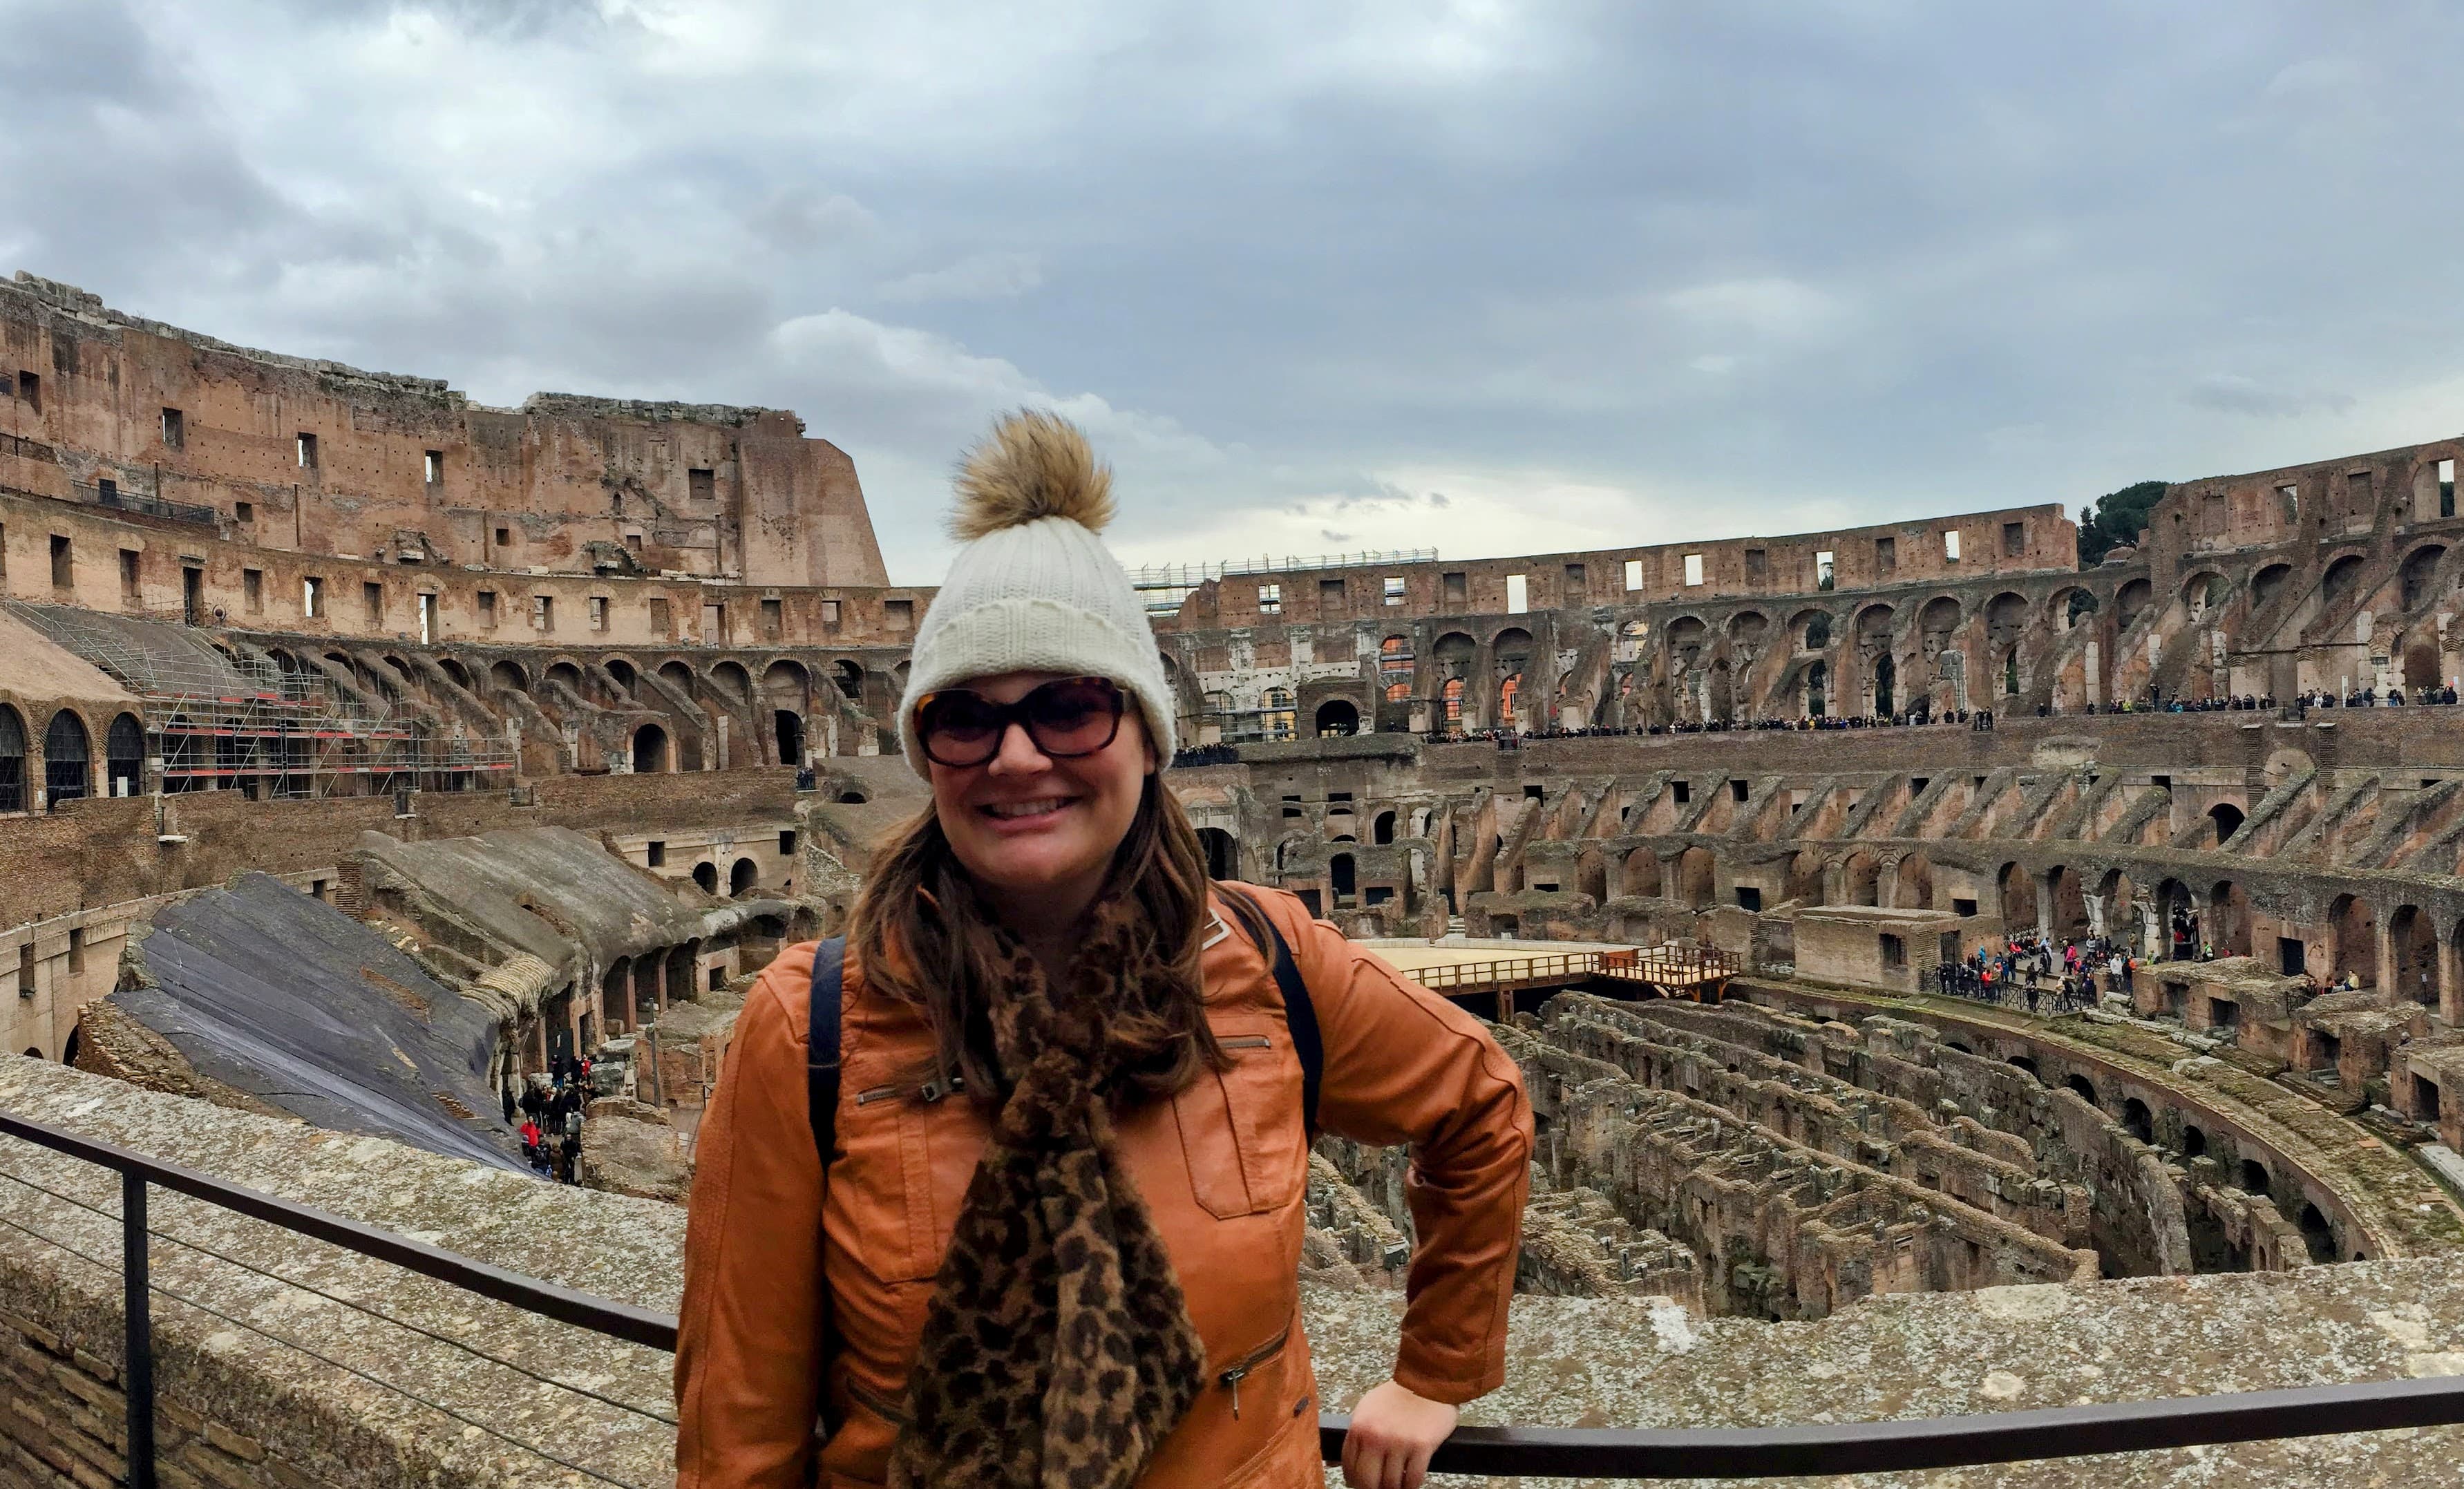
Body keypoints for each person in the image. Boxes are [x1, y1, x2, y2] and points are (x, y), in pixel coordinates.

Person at [675, 412, 1533, 1489]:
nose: (1016, 756)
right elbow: (737, 1417)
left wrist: (1433, 1373)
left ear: (1144, 735)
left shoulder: (1271, 963)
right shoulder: (812, 1026)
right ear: (925, 754)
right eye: (963, 719)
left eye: (1069, 707)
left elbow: (1481, 1102)